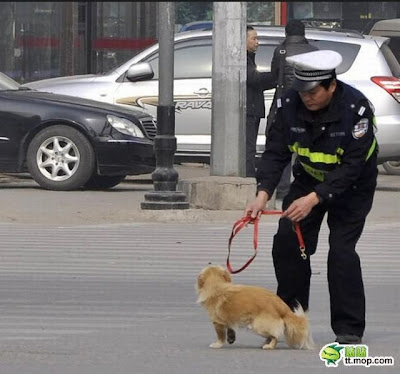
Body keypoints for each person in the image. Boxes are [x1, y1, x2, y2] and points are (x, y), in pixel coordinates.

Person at [245, 50, 379, 345]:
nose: (307, 97)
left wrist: (314, 199)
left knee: (341, 251)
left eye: (314, 92)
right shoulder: (289, 105)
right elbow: (275, 152)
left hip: (352, 187)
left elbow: (352, 167)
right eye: (303, 91)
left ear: (332, 86)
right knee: (287, 241)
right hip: (309, 179)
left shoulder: (355, 110)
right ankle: (291, 317)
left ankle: (349, 328)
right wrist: (262, 194)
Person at [267, 20, 318, 199]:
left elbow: (275, 77)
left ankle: (282, 190)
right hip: (310, 105)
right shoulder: (314, 51)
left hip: (286, 104)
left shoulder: (280, 51)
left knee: (284, 147)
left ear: (286, 33)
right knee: (310, 148)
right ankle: (309, 188)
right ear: (303, 33)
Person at [246, 25, 275, 178]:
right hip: (248, 109)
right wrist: (276, 75)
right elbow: (254, 79)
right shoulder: (242, 59)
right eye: (254, 39)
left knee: (250, 147)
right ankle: (249, 178)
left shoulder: (250, 58)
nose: (257, 42)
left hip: (253, 108)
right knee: (248, 148)